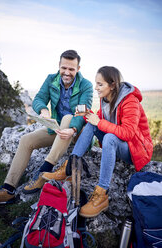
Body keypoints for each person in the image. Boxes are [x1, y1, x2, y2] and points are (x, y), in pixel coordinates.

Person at [42, 66, 153, 218]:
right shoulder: (106, 98)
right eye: (96, 83)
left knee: (108, 137)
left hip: (136, 149)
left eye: (100, 84)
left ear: (112, 85)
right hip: (119, 142)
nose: (96, 88)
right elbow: (100, 118)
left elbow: (128, 133)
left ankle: (102, 193)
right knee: (91, 124)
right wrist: (88, 114)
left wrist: (98, 122)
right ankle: (70, 165)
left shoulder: (130, 101)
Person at [0, 50, 93, 204]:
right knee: (26, 140)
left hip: (77, 132)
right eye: (64, 68)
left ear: (78, 69)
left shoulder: (86, 85)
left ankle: (44, 171)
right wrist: (43, 110)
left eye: (71, 69)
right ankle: (8, 189)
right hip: (58, 129)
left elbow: (82, 113)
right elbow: (39, 98)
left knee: (69, 117)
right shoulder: (51, 79)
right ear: (59, 66)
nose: (67, 72)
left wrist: (73, 129)